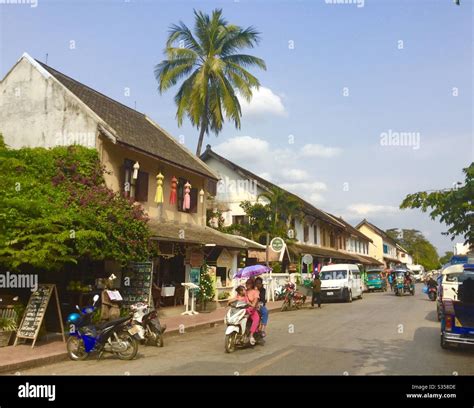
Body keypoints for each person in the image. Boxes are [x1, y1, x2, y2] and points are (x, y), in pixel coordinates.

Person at [244, 278, 260, 345]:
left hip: (252, 309)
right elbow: (238, 297)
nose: (247, 284)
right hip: (242, 309)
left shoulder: (255, 292)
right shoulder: (244, 291)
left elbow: (255, 300)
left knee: (256, 319)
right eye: (247, 283)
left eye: (249, 283)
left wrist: (253, 304)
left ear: (252, 284)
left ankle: (251, 335)